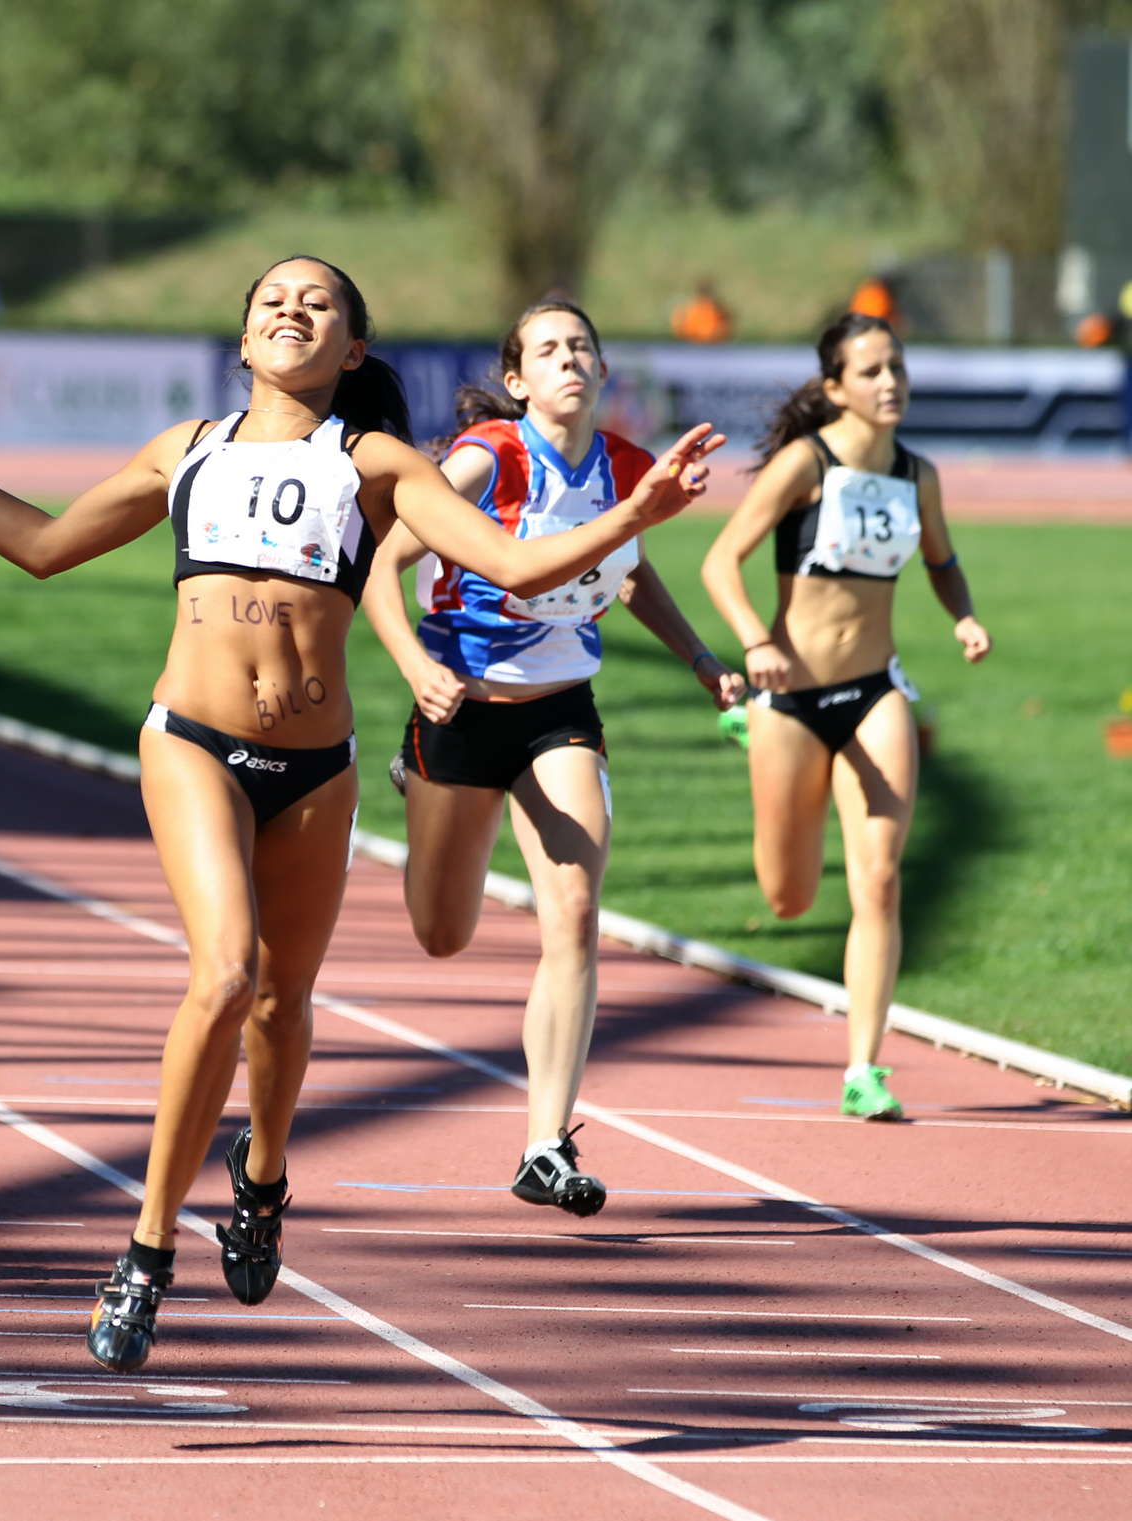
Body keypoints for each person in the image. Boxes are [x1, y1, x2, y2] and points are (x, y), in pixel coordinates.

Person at [0, 256, 723, 1371]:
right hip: (192, 743)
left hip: (313, 768)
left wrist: (635, 512)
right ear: (245, 340)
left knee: (282, 1004)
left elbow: (512, 561)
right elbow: (43, 546)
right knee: (224, 976)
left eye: (318, 303)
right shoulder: (188, 451)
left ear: (353, 349)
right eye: (272, 301)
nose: (292, 310)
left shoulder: (378, 462)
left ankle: (260, 1177)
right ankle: (146, 1250)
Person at [363, 301, 745, 1217]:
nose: (568, 359)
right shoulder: (483, 458)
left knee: (573, 911)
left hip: (561, 711)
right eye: (547, 349)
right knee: (441, 932)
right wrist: (415, 668)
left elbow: (629, 566)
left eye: (581, 347)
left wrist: (699, 657)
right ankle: (415, 778)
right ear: (518, 379)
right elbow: (380, 565)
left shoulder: (625, 467)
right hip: (459, 710)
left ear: (602, 370)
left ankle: (545, 1143)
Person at [700, 313, 989, 1120]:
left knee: (880, 880)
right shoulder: (805, 462)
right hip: (789, 698)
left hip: (872, 692)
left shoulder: (916, 474)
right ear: (834, 387)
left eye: (896, 367)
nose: (889, 382)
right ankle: (748, 726)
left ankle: (863, 1068)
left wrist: (963, 615)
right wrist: (754, 639)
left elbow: (942, 561)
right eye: (869, 371)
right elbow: (720, 560)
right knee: (788, 896)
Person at [671, 280, 733, 344]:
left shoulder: (717, 309)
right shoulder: (692, 308)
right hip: (694, 342)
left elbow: (725, 328)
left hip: (711, 342)